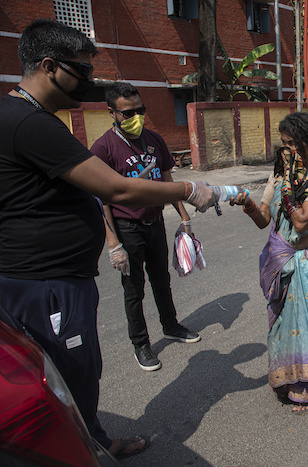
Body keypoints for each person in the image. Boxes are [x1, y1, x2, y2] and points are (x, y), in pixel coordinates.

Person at [0, 19, 216, 458]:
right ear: (48, 66)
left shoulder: (27, 118)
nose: (89, 82)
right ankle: (86, 449)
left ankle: (91, 438)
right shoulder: (31, 124)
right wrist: (190, 191)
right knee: (69, 372)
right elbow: (114, 189)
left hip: (54, 277)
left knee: (74, 369)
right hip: (46, 283)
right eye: (81, 70)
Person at [235, 112, 308, 415]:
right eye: (283, 145)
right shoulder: (277, 176)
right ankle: (286, 379)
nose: (285, 152)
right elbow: (263, 219)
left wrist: (289, 182)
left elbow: (299, 223)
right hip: (280, 262)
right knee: (283, 324)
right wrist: (247, 203)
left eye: (292, 145)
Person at [91, 83, 201, 372]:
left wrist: (184, 217)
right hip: (128, 227)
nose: (136, 116)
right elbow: (100, 199)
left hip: (155, 222)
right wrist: (113, 242)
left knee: (161, 280)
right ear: (112, 113)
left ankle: (171, 325)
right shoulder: (103, 148)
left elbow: (168, 182)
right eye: (128, 113)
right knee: (133, 289)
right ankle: (140, 344)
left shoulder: (154, 140)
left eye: (140, 110)